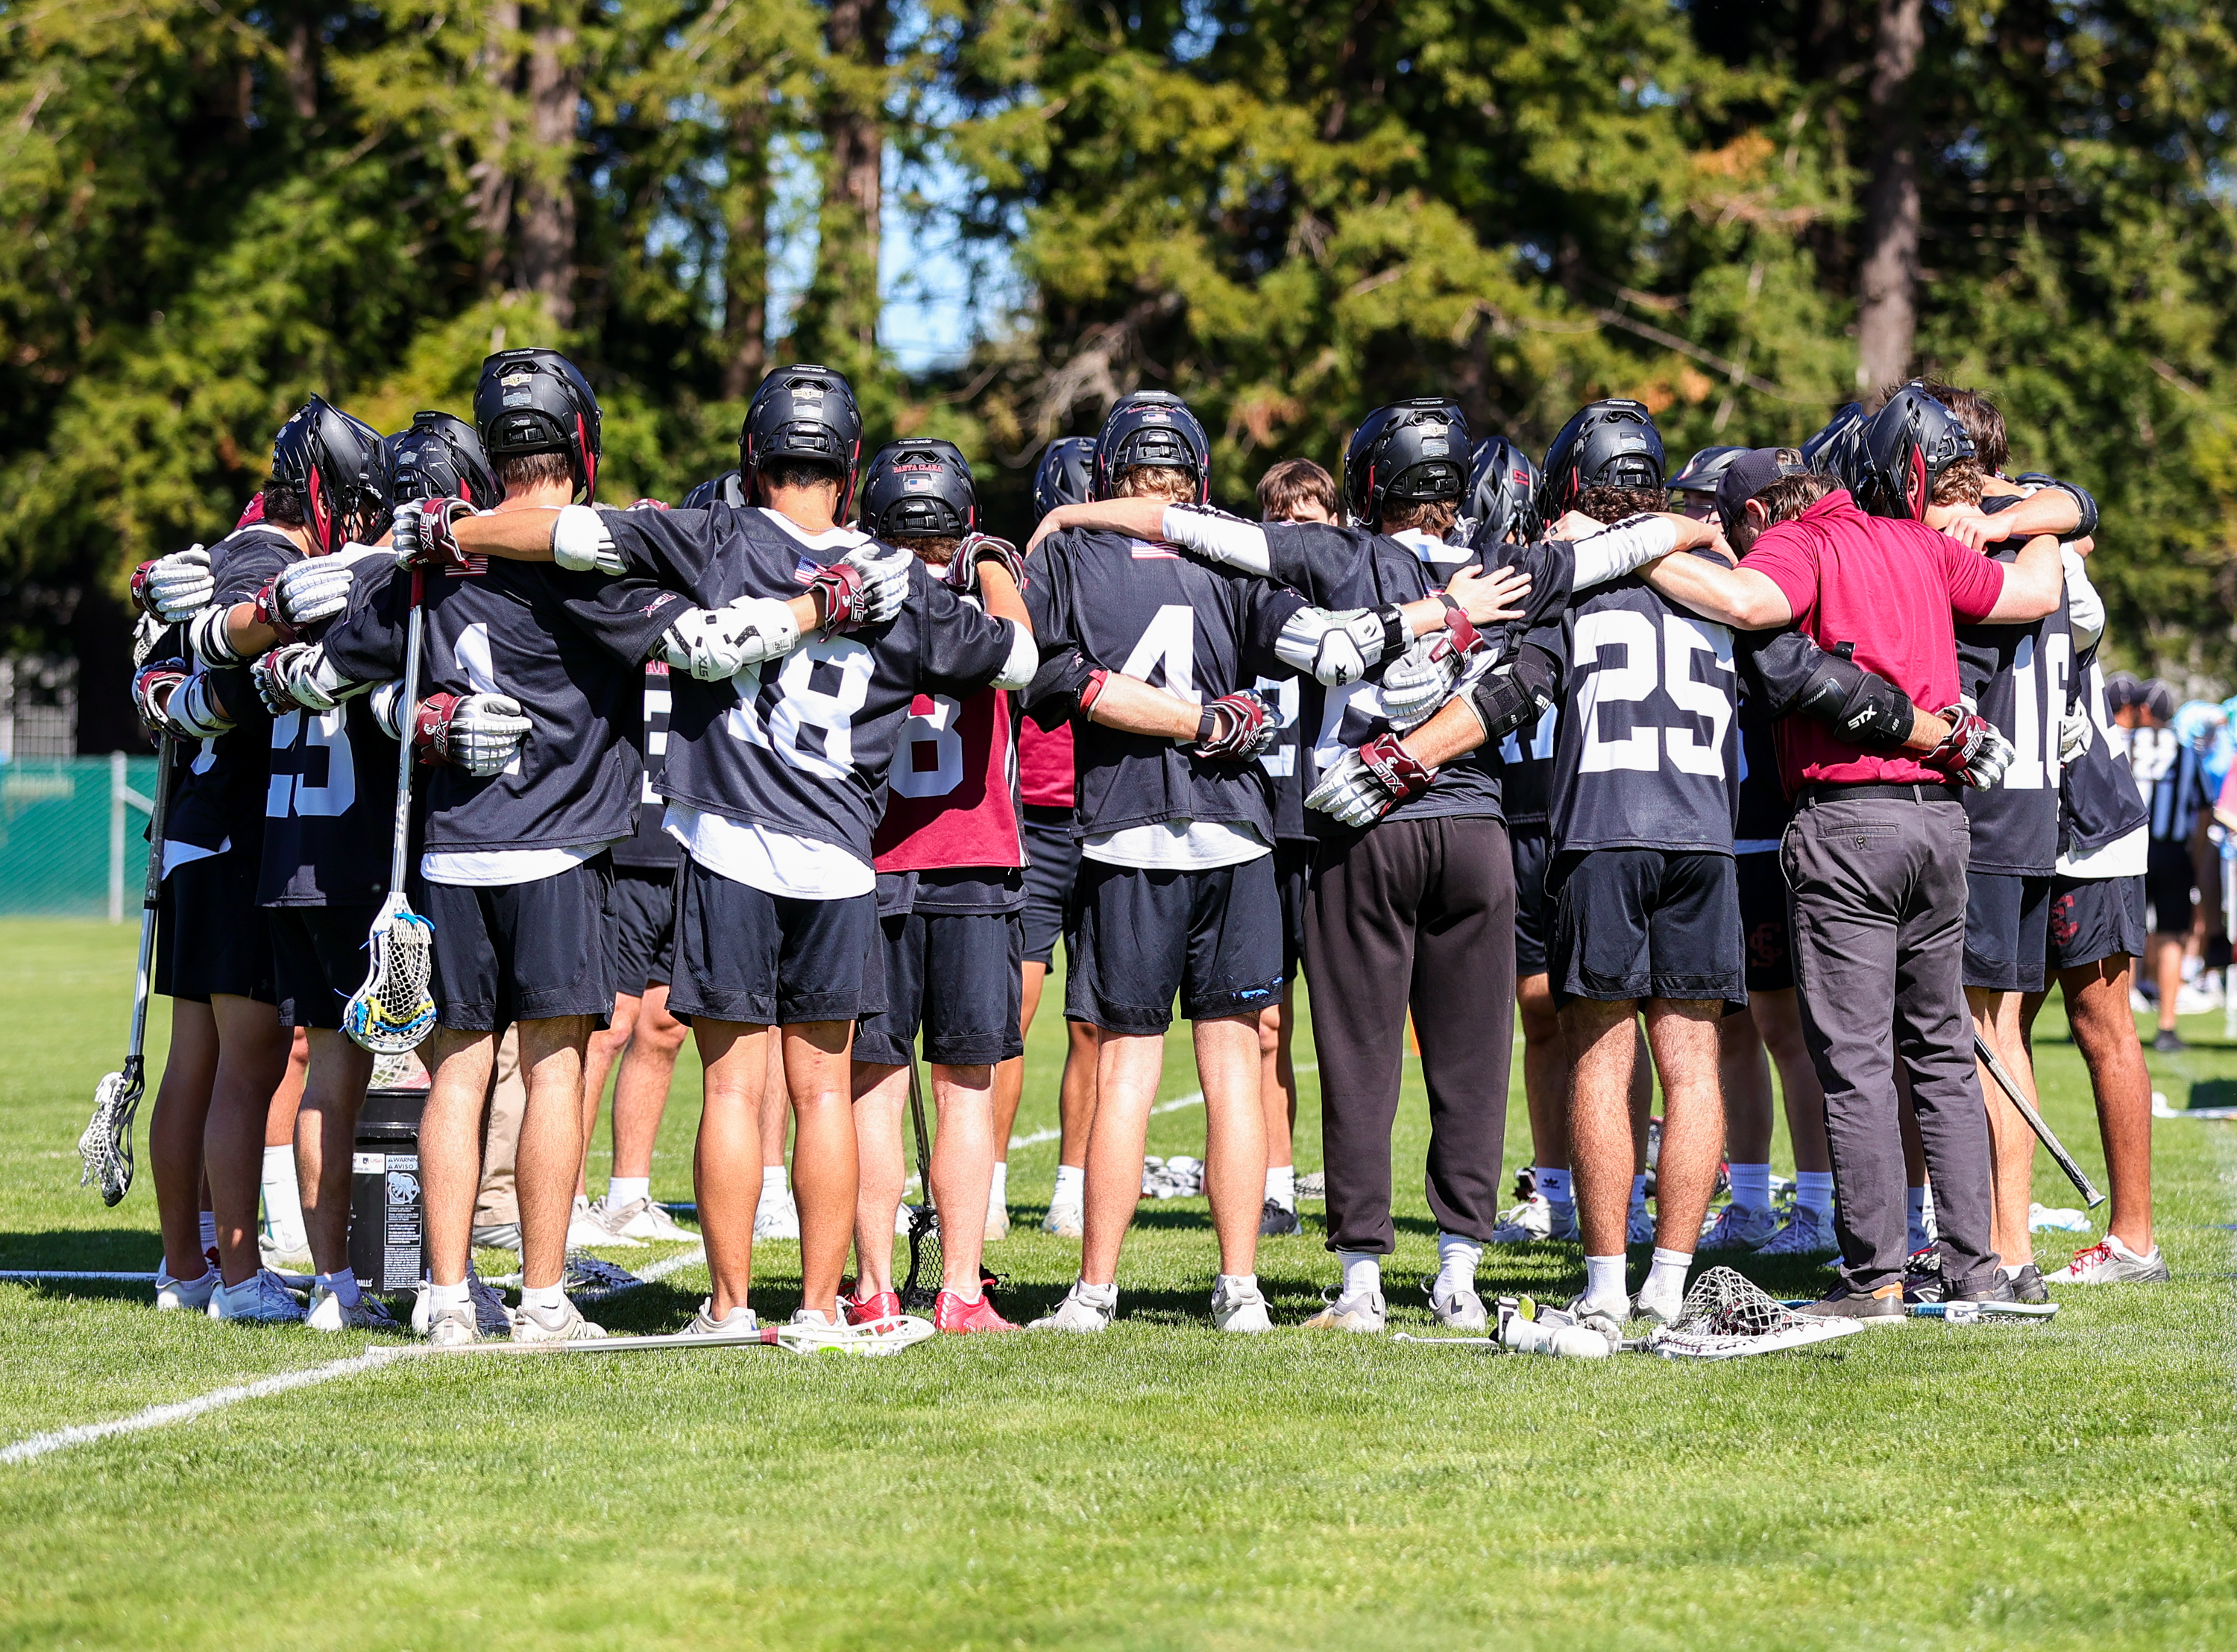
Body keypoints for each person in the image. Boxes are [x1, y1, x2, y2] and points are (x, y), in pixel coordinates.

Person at [426, 362, 1033, 1339]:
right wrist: (988, 561)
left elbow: (562, 531)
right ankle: (821, 1309)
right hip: (840, 855)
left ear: (752, 455)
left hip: (728, 843)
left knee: (733, 1086)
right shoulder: (888, 580)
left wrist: (449, 528)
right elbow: (1020, 657)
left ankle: (728, 1302)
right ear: (852, 461)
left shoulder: (716, 536)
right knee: (823, 1089)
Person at [1019, 391, 1456, 1331]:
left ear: (1110, 472)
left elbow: (1036, 670)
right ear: (1199, 474)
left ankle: (1095, 1290)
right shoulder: (1234, 551)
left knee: (1129, 1071)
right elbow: (1331, 653)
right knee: (1233, 1067)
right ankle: (1242, 1290)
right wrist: (1432, 617)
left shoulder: (1072, 552)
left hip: (1125, 831)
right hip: (1240, 832)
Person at [1628, 432, 2065, 1320]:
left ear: (1756, 511)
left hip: (1849, 817)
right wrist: (2059, 516)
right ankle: (1976, 1268)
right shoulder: (1916, 538)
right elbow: (2032, 591)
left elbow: (1750, 602)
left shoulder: (1802, 539)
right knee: (1940, 1051)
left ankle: (1875, 1278)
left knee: (1857, 1059)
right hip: (1943, 820)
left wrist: (1635, 552)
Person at [308, 349, 644, 1345]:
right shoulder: (597, 560)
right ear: (579, 435)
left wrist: (411, 707)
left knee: (454, 1070)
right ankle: (542, 1298)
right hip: (557, 845)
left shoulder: (428, 556)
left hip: (452, 850)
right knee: (553, 1070)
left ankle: (446, 1297)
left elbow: (325, 667)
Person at [245, 410, 529, 1329]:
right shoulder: (396, 580)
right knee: (446, 1064)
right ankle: (421, 1274)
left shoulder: (298, 581)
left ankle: (334, 1281)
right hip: (369, 861)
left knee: (333, 1070)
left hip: (290, 853)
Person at [135, 401, 393, 1323]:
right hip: (240, 829)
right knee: (245, 1064)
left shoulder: (233, 550)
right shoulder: (266, 561)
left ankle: (188, 1265)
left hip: (198, 832)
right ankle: (235, 1273)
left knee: (198, 1059)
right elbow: (207, 673)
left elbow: (160, 678)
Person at [844, 438, 1029, 1332]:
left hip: (872, 862)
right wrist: (991, 563)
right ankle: (958, 1288)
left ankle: (876, 1282)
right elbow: (1023, 649)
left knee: (872, 1085)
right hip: (972, 861)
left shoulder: (855, 604)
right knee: (965, 1086)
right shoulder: (982, 607)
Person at [2024, 545, 2168, 1284]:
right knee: (1989, 1025)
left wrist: (2037, 519)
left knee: (2099, 1021)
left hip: (2084, 825)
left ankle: (2135, 1240)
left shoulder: (2044, 549)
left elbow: (2084, 617)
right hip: (2016, 827)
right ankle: (1992, 1234)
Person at [1248, 455, 1341, 1239]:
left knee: (1349, 1026)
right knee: (1265, 1024)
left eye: (1312, 519)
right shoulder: (1245, 599)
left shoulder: (1362, 599)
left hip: (1338, 833)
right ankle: (1275, 1185)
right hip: (1261, 831)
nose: (1298, 535)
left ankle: (1352, 1186)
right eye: (1284, 520)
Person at [1009, 435, 1099, 1240]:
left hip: (1103, 809)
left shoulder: (1123, 580)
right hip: (1034, 809)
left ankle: (1073, 1182)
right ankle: (994, 1178)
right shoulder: (1028, 579)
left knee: (1093, 1018)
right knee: (1014, 1006)